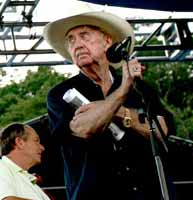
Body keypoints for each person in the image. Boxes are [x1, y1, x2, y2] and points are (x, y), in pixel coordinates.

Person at [43, 11, 176, 200]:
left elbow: (161, 130)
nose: (77, 44)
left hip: (149, 193)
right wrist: (122, 91)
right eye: (71, 40)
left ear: (107, 41)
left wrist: (122, 113)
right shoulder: (60, 94)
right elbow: (83, 129)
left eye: (84, 36)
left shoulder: (139, 88)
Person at [0, 123, 51, 200]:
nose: (42, 147)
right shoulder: (2, 167)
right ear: (20, 142)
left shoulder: (28, 180)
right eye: (36, 140)